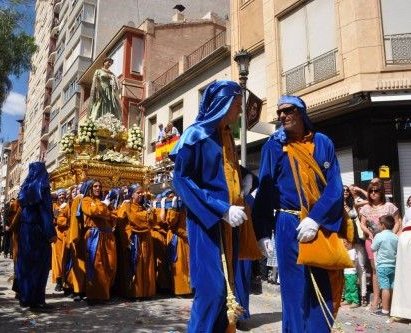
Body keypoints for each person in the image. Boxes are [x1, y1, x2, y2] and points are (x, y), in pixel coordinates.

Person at [252, 95, 345, 332]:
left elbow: (334, 186)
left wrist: (316, 218)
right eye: (279, 112)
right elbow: (264, 189)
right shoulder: (272, 146)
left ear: (302, 113)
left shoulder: (324, 142)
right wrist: (262, 231)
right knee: (293, 291)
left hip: (318, 224)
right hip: (287, 222)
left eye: (288, 110)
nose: (282, 116)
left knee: (322, 288)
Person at [170, 81, 254, 332]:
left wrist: (247, 178)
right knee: (212, 292)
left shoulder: (226, 135)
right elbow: (181, 180)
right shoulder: (195, 135)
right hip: (207, 223)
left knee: (227, 291)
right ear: (222, 104)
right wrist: (221, 209)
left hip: (231, 224)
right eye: (237, 105)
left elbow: (225, 173)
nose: (240, 111)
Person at [15, 162, 57, 309]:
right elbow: (45, 212)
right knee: (40, 264)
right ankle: (36, 299)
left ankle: (24, 296)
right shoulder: (42, 188)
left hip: (25, 230)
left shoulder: (25, 188)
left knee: (25, 263)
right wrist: (51, 233)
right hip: (38, 231)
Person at [359, 180, 401, 311]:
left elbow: (397, 221)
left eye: (375, 191)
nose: (372, 193)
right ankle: (376, 299)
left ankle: (390, 301)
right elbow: (362, 223)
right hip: (371, 241)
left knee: (390, 269)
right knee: (375, 270)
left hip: (388, 243)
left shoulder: (389, 206)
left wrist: (390, 235)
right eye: (371, 190)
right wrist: (368, 233)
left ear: (381, 192)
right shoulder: (366, 208)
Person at [79, 180, 116, 304]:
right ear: (90, 188)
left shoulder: (103, 201)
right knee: (96, 265)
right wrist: (103, 207)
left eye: (100, 186)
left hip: (106, 235)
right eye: (95, 186)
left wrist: (104, 211)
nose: (98, 188)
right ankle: (95, 296)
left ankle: (105, 293)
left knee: (109, 265)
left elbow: (112, 215)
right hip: (94, 235)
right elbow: (93, 212)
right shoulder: (86, 200)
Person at [117, 184, 157, 298]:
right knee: (137, 264)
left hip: (146, 238)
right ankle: (136, 293)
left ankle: (147, 292)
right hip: (134, 238)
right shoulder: (126, 206)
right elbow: (129, 220)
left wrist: (151, 212)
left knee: (147, 263)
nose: (141, 195)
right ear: (132, 194)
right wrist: (127, 235)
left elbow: (153, 222)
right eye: (138, 193)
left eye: (142, 193)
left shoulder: (144, 206)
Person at [343, 185, 367, 306]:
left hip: (357, 238)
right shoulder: (337, 203)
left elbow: (371, 200)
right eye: (343, 190)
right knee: (345, 268)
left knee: (360, 267)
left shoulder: (356, 202)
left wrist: (360, 190)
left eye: (348, 190)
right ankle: (348, 296)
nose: (346, 192)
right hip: (344, 238)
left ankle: (362, 296)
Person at [371, 215, 398, 316]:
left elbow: (373, 248)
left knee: (385, 287)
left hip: (382, 265)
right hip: (393, 265)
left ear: (383, 225)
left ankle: (385, 310)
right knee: (392, 286)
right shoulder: (395, 237)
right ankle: (392, 308)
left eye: (378, 224)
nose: (377, 225)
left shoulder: (379, 236)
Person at [391, 195, 411, 320]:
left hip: (405, 238)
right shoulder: (409, 210)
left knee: (405, 275)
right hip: (406, 238)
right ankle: (404, 311)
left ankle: (404, 311)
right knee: (405, 275)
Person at [51, 189, 70, 292]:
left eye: (63, 195)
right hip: (57, 235)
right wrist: (57, 219)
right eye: (60, 195)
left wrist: (61, 220)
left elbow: (69, 219)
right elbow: (53, 219)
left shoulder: (68, 206)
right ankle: (58, 281)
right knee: (57, 259)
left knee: (66, 257)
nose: (62, 197)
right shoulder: (55, 207)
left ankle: (66, 281)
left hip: (66, 234)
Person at [342, 240, 359, 308]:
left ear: (350, 243)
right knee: (347, 287)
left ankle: (355, 301)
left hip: (351, 273)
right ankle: (348, 299)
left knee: (352, 287)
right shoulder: (347, 251)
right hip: (346, 272)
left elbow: (351, 262)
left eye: (344, 242)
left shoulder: (352, 251)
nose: (343, 244)